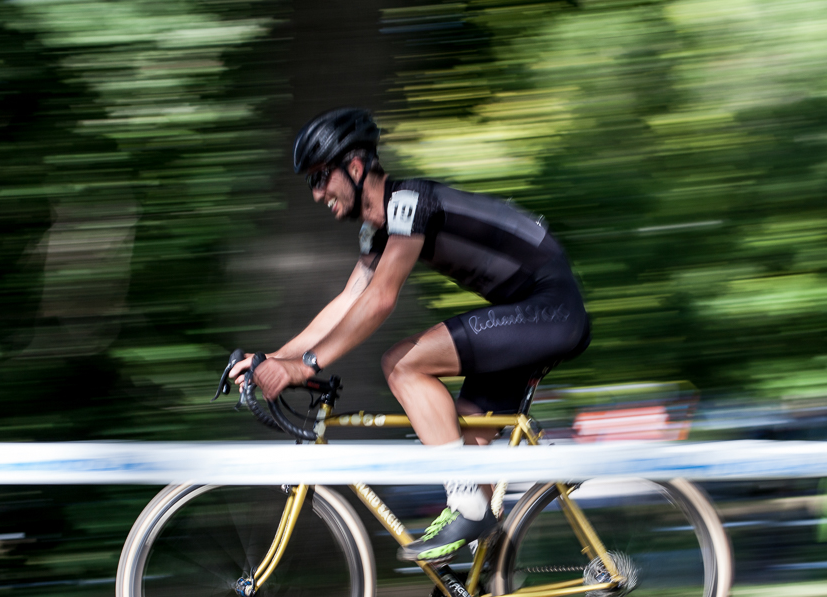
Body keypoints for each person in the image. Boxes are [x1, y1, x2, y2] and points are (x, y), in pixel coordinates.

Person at [230, 107, 589, 563]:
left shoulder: (409, 202)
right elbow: (348, 301)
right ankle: (488, 584)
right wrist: (275, 359)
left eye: (320, 177)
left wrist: (306, 366)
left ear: (354, 167)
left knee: (401, 364)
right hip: (526, 314)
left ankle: (468, 508)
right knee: (461, 438)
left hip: (549, 308)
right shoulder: (376, 231)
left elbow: (380, 299)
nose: (317, 193)